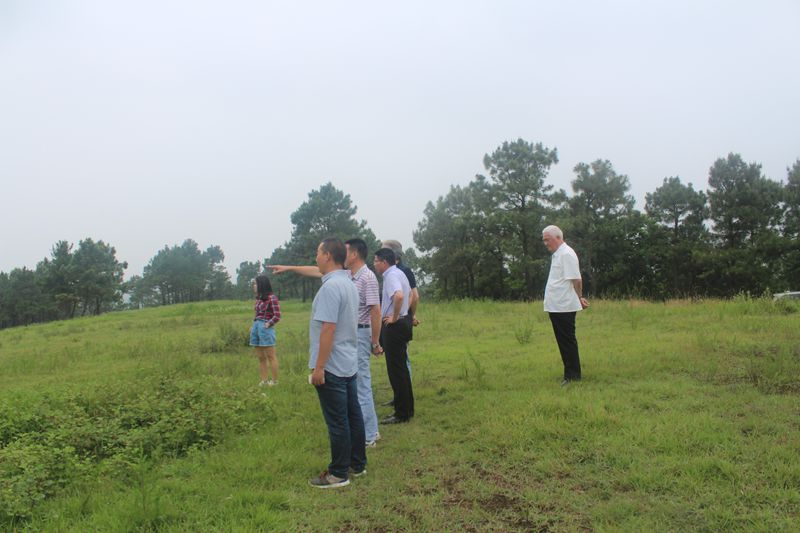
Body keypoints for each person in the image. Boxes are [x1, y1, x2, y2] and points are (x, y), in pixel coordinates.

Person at [268, 238, 383, 447]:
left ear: (354, 254)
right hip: (348, 335)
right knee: (352, 390)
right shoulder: (346, 277)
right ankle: (360, 444)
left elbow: (375, 310)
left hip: (358, 333)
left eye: (344, 251)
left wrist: (375, 342)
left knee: (360, 386)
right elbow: (317, 270)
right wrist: (290, 268)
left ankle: (370, 434)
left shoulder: (366, 277)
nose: (341, 254)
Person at [307, 238, 366, 488]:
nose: (316, 258)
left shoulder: (331, 287)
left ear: (328, 256)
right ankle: (357, 463)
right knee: (353, 415)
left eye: (318, 253)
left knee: (338, 421)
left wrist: (319, 367)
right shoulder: (348, 283)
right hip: (348, 362)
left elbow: (328, 329)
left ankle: (338, 474)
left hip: (332, 365)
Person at [542, 225, 589, 386]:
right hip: (556, 306)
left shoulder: (567, 254)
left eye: (547, 240)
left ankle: (573, 376)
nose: (545, 243)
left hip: (564, 306)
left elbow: (577, 280)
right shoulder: (558, 254)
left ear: (558, 237)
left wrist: (580, 298)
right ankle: (569, 372)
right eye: (544, 240)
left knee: (567, 341)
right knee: (562, 341)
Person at [373, 247, 414, 423]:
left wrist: (395, 317)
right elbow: (411, 294)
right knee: (402, 370)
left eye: (376, 261)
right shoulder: (399, 273)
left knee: (396, 371)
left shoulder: (391, 276)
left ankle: (401, 414)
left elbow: (399, 296)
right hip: (403, 323)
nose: (374, 264)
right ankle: (406, 409)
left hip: (394, 327)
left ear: (384, 262)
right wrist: (404, 313)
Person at [249, 274, 281, 386]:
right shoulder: (258, 299)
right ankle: (264, 381)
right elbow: (257, 313)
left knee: (271, 356)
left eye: (255, 283)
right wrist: (254, 325)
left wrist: (268, 324)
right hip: (256, 326)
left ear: (261, 284)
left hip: (265, 327)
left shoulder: (272, 298)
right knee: (261, 357)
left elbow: (277, 315)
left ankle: (275, 381)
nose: (254, 285)